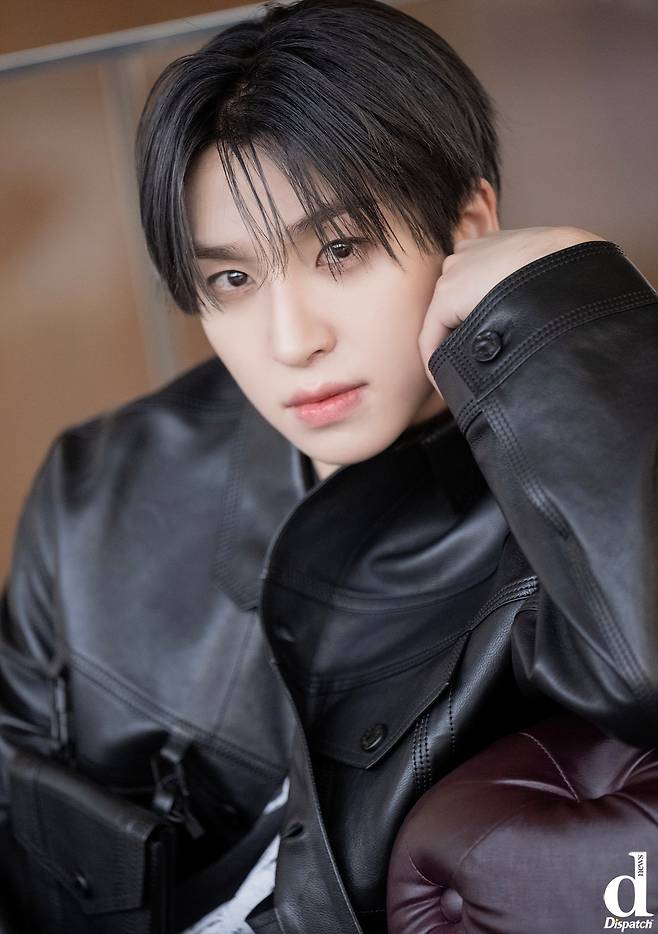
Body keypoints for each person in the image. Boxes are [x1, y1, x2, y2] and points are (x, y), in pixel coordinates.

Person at [1, 0, 657, 931]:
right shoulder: (99, 485)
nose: (291, 340)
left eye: (340, 250)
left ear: (470, 224)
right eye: (232, 279)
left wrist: (561, 296)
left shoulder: (574, 480)